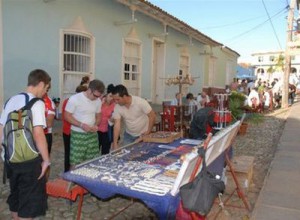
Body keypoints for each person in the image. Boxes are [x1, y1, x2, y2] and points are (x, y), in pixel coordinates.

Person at [0, 69, 51, 220]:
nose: (45, 93)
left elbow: (1, 128)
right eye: (46, 89)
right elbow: (38, 134)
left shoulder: (10, 100)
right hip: (29, 161)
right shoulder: (37, 103)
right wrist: (46, 160)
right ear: (41, 84)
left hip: (10, 159)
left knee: (16, 198)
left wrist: (4, 155)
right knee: (28, 205)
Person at [64, 79, 105, 168]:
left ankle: (89, 179)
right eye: (95, 95)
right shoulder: (75, 99)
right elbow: (67, 116)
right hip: (78, 134)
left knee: (93, 159)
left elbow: (98, 115)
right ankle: (73, 181)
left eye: (98, 96)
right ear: (89, 90)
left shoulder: (97, 101)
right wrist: (81, 125)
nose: (96, 98)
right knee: (76, 160)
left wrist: (96, 125)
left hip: (92, 134)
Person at [111, 84, 156, 149]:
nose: (116, 102)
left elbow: (152, 116)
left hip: (143, 134)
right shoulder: (117, 107)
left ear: (124, 96)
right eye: (114, 100)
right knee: (127, 155)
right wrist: (115, 143)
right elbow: (117, 125)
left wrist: (148, 132)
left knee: (143, 155)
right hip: (128, 135)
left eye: (117, 99)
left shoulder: (140, 102)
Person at [61, 85, 87, 172]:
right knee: (71, 154)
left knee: (70, 153)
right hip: (70, 131)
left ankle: (72, 171)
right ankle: (68, 173)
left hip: (69, 131)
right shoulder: (71, 101)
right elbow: (67, 117)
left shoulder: (67, 100)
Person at [97, 84, 115, 155]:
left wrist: (113, 119)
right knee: (95, 150)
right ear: (106, 95)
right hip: (97, 130)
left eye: (113, 97)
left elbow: (116, 119)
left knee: (105, 152)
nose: (112, 98)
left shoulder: (114, 105)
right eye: (110, 96)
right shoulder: (99, 102)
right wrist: (100, 104)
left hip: (107, 131)